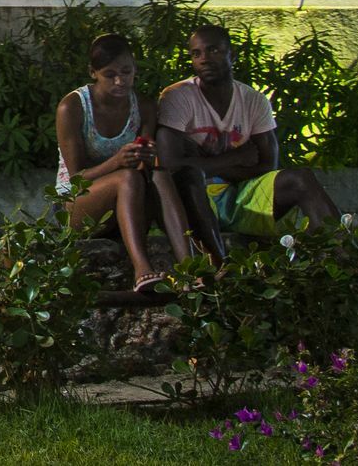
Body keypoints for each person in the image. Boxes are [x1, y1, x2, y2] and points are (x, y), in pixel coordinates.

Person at [55, 32, 215, 290]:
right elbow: (76, 180)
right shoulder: (72, 107)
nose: (120, 81)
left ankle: (189, 268)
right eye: (110, 75)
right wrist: (117, 160)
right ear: (93, 72)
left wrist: (146, 156)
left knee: (160, 174)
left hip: (130, 200)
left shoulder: (143, 106)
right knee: (126, 177)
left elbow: (146, 165)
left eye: (127, 72)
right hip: (77, 206)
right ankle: (142, 270)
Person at [156, 23, 339, 248]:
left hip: (243, 194)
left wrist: (202, 163)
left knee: (301, 178)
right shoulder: (178, 97)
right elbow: (170, 167)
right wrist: (236, 157)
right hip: (196, 198)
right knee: (188, 181)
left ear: (232, 54)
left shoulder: (254, 101)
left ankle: (339, 254)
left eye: (213, 50)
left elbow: (267, 165)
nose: (204, 59)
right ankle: (214, 268)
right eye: (196, 54)